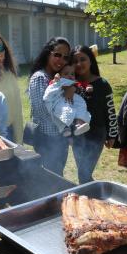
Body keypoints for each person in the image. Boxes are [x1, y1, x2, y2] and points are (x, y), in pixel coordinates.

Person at [71, 45, 118, 184]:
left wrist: (112, 134)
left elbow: (110, 111)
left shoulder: (102, 84)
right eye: (75, 61)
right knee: (82, 173)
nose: (79, 64)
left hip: (96, 133)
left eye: (83, 59)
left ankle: (90, 198)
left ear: (91, 60)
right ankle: (87, 197)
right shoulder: (71, 84)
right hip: (78, 134)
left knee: (84, 173)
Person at [28, 37, 71, 175]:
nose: (61, 60)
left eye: (65, 57)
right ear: (48, 53)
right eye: (57, 55)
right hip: (48, 139)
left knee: (57, 174)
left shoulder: (57, 78)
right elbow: (42, 110)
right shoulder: (40, 77)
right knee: (51, 178)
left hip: (60, 139)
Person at [0, 30, 24, 142]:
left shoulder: (10, 75)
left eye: (0, 47)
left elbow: (17, 112)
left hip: (8, 133)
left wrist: (19, 141)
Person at [43, 58, 91, 137]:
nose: (70, 76)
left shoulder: (74, 83)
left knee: (81, 106)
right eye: (66, 73)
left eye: (72, 74)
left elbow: (82, 86)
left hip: (74, 100)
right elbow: (51, 88)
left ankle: (78, 124)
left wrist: (88, 86)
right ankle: (65, 128)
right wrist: (56, 81)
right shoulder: (58, 81)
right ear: (59, 75)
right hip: (60, 100)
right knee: (62, 110)